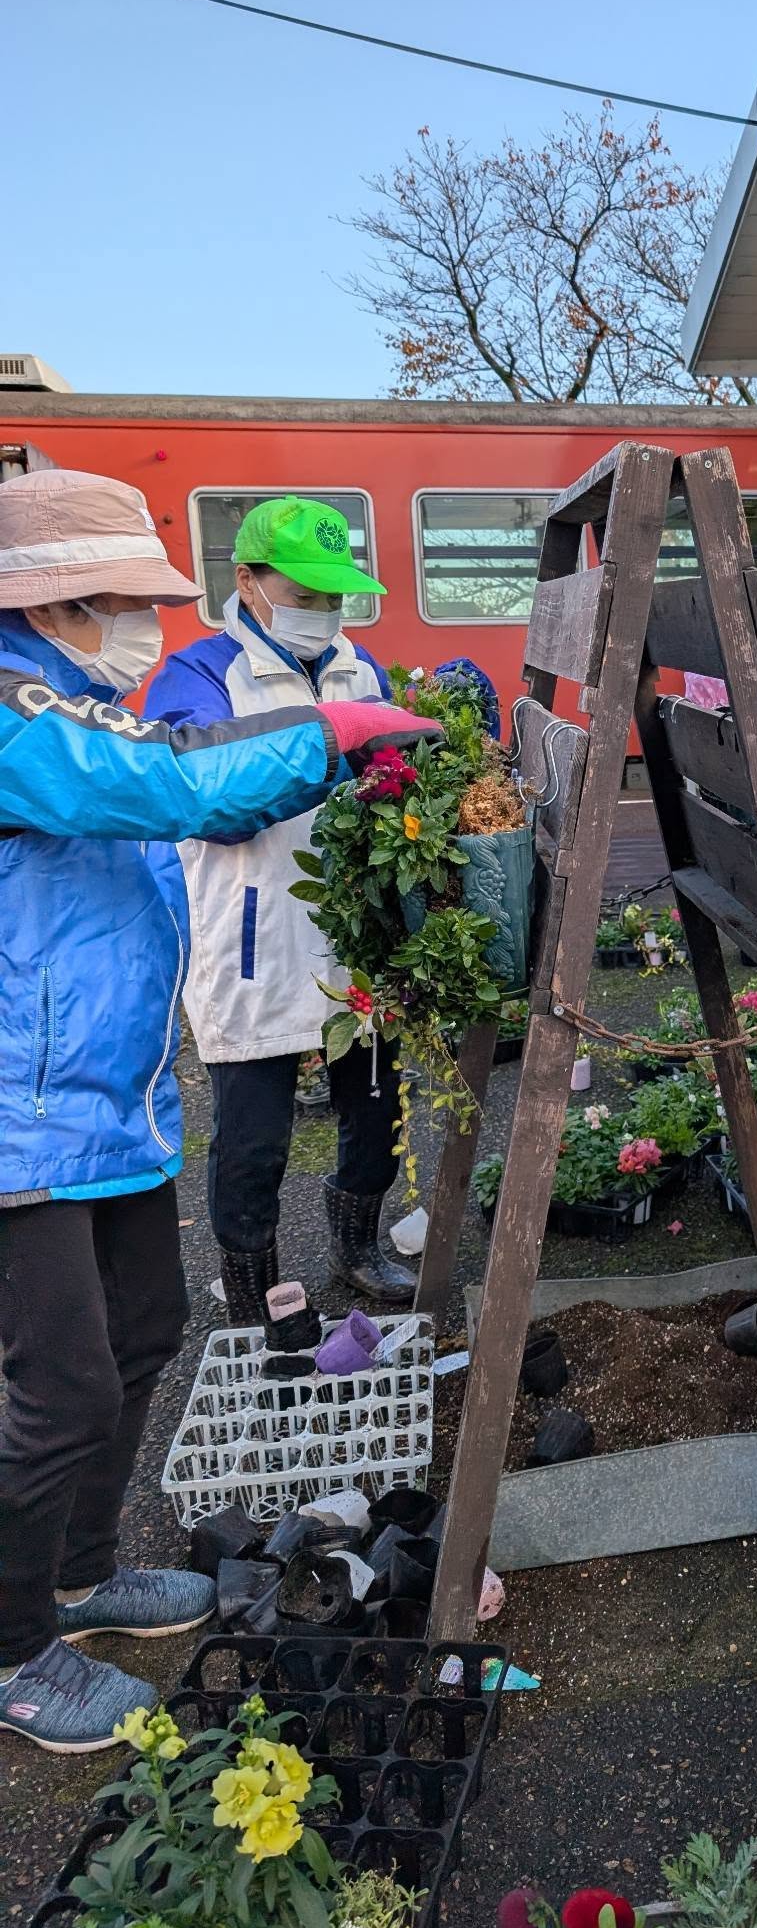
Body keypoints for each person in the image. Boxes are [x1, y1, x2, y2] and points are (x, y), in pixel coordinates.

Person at [0, 469, 438, 1749]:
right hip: (21, 1117)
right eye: (121, 601)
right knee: (60, 1387)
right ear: (55, 602)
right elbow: (183, 788)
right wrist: (333, 736)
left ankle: (82, 1575)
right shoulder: (21, 717)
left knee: (146, 1325)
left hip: (98, 1099)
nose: (143, 621)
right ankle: (15, 1644)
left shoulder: (73, 694)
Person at [147, 497, 416, 1327]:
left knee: (375, 1111)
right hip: (253, 937)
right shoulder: (197, 675)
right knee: (252, 1140)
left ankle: (358, 1247)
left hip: (349, 933)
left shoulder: (356, 667)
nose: (322, 612)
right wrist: (331, 743)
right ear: (249, 582)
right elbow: (212, 804)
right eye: (305, 591)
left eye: (334, 596)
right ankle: (255, 1287)